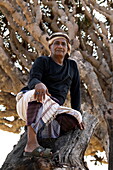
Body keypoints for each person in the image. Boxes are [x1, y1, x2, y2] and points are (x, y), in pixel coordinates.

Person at [16, 32, 84, 157]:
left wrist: (78, 114)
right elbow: (33, 80)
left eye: (63, 44)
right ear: (50, 47)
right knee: (38, 95)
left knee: (76, 116)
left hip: (52, 108)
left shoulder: (72, 66)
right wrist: (38, 84)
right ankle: (31, 145)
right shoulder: (43, 61)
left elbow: (76, 92)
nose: (60, 46)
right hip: (28, 101)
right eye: (56, 43)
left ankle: (42, 132)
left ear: (67, 49)